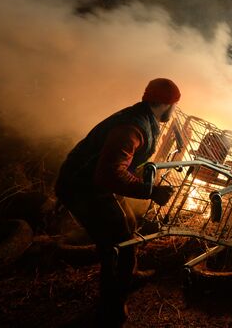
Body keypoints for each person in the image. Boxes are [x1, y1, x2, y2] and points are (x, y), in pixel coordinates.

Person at [55, 78, 180, 326]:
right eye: (174, 105)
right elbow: (109, 173)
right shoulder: (132, 128)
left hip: (95, 183)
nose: (174, 110)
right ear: (166, 104)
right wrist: (150, 191)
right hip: (81, 187)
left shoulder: (142, 117)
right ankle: (111, 306)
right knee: (116, 244)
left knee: (128, 223)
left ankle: (129, 275)